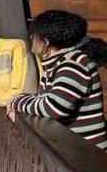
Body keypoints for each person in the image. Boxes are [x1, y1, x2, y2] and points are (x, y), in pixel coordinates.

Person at [8, 10, 107, 150]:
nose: (30, 39)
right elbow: (47, 99)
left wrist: (17, 102)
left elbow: (53, 108)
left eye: (34, 36)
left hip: (88, 156)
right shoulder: (57, 64)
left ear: (46, 42)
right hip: (76, 151)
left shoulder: (73, 66)